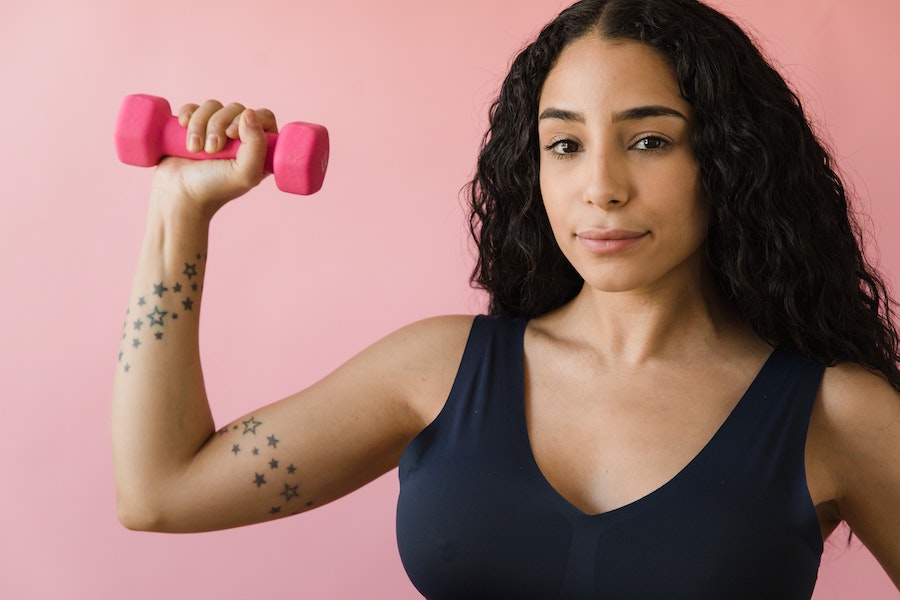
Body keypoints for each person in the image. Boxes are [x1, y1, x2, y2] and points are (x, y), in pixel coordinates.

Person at [112, 0, 900, 597]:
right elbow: (161, 491)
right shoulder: (436, 372)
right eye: (564, 144)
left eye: (650, 140)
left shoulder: (840, 417)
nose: (601, 189)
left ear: (730, 160)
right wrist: (179, 211)